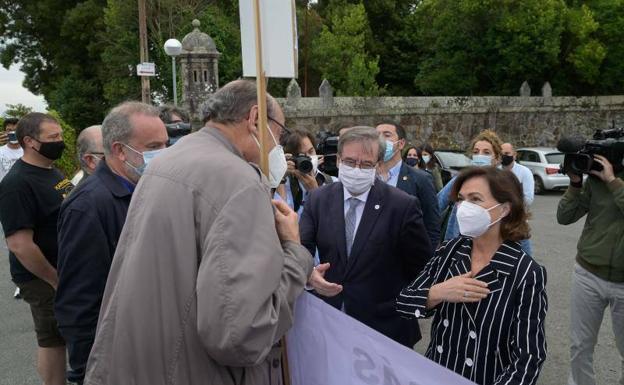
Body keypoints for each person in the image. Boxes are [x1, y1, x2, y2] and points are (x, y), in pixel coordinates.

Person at [84, 80, 313, 385]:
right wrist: (294, 254)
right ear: (256, 118)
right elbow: (240, 335)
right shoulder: (239, 180)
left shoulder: (167, 160)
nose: (278, 145)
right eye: (279, 133)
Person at [397, 166, 547, 385]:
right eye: (461, 199)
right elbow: (404, 304)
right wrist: (438, 292)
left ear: (504, 208)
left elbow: (529, 357)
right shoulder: (449, 251)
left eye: (475, 199)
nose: (464, 208)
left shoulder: (526, 272)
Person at [55, 102, 168, 385]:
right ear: (119, 150)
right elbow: (78, 301)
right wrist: (89, 371)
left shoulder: (147, 188)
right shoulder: (89, 206)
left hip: (148, 348)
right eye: (154, 146)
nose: (164, 155)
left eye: (166, 145)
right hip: (114, 361)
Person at [300, 126, 433, 347]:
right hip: (330, 325)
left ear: (378, 165)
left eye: (366, 164)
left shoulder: (402, 206)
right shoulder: (318, 199)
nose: (357, 169)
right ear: (339, 160)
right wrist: (309, 274)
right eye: (350, 162)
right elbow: (301, 248)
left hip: (385, 329)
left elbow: (420, 268)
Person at [0, 112, 73, 385]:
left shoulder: (51, 169)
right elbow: (19, 244)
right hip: (43, 277)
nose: (60, 142)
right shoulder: (16, 184)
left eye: (61, 136)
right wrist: (54, 279)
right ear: (30, 141)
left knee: (64, 333)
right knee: (52, 338)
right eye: (53, 138)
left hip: (62, 270)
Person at [557, 154, 624, 385]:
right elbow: (564, 217)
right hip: (588, 273)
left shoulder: (610, 180)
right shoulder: (595, 180)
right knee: (580, 345)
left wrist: (613, 182)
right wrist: (575, 184)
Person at [376, 121, 441, 247]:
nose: (380, 139)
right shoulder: (368, 177)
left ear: (401, 144)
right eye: (377, 135)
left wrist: (426, 261)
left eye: (386, 135)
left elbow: (432, 226)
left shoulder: (421, 179)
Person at [439, 129, 503, 243]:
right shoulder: (460, 180)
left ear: (497, 158)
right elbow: (437, 204)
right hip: (457, 243)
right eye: (476, 152)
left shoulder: (504, 186)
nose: (480, 156)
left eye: (486, 153)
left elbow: (517, 224)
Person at [275, 127, 333, 215]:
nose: (308, 158)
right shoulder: (283, 184)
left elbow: (331, 220)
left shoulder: (331, 183)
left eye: (311, 151)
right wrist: (280, 179)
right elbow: (282, 220)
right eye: (301, 156)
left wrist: (314, 191)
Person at [501, 142, 534, 255]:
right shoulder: (496, 171)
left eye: (507, 153)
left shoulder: (524, 172)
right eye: (501, 153)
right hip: (498, 223)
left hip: (518, 221)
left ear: (514, 155)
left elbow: (528, 198)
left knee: (525, 255)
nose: (504, 156)